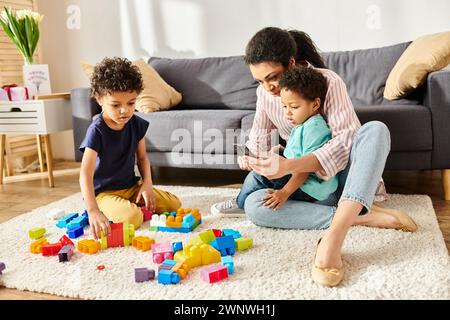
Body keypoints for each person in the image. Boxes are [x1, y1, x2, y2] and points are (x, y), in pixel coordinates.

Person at [211, 27, 417, 287]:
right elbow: (259, 138)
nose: (268, 87)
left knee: (376, 130)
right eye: (260, 81)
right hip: (309, 186)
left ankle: (334, 237)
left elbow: (345, 142)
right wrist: (254, 158)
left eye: (272, 77)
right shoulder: (265, 93)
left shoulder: (329, 81)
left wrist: (290, 164)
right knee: (254, 206)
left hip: (343, 181)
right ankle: (360, 217)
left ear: (292, 62)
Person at [79, 57, 181, 240]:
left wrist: (147, 185)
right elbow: (85, 174)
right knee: (133, 218)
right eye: (116, 105)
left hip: (131, 186)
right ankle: (110, 208)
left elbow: (142, 158)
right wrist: (93, 209)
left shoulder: (136, 124)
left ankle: (128, 204)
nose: (124, 111)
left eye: (131, 103)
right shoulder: (97, 130)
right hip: (105, 193)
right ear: (100, 99)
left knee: (174, 204)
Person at [236, 66, 339, 211]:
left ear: (315, 104)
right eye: (284, 106)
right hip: (300, 178)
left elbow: (304, 169)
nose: (288, 113)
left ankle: (239, 204)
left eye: (294, 107)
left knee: (259, 176)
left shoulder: (315, 128)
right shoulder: (302, 124)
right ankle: (245, 200)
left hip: (311, 189)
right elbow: (295, 155)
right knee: (267, 164)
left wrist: (284, 193)